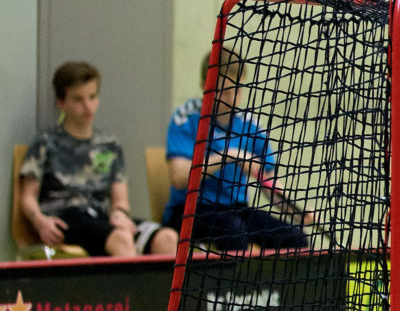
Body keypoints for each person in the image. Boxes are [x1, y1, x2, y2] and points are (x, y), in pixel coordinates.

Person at [19, 62, 178, 258]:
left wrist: (120, 214)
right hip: (66, 219)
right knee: (120, 238)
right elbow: (28, 196)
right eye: (78, 99)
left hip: (102, 218)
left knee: (167, 238)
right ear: (61, 102)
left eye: (92, 97)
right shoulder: (46, 142)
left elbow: (120, 198)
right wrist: (39, 222)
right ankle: (128, 279)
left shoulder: (110, 144)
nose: (88, 107)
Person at [163, 48, 308, 251]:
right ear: (206, 86)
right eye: (224, 91)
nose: (231, 99)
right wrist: (228, 156)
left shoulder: (250, 125)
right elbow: (179, 177)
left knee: (294, 237)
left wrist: (295, 211)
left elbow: (268, 181)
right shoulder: (186, 118)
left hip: (237, 210)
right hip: (191, 210)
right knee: (234, 231)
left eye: (237, 91)